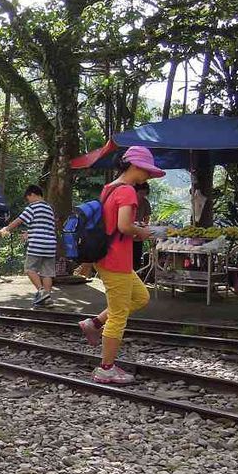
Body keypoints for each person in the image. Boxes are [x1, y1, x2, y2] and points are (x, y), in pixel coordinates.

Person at [79, 146, 164, 385]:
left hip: (110, 258)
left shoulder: (110, 188)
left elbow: (113, 224)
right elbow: (125, 226)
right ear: (135, 166)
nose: (148, 176)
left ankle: (93, 323)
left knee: (141, 297)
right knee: (118, 315)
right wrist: (143, 232)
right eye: (147, 170)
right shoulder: (127, 191)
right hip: (116, 260)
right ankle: (106, 369)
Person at [0, 185, 57, 306]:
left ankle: (42, 291)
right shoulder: (49, 208)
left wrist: (5, 230)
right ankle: (47, 299)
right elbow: (45, 226)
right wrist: (29, 233)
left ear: (32, 194)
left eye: (28, 198)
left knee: (29, 269)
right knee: (47, 273)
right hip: (50, 245)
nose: (28, 201)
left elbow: (19, 220)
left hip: (37, 245)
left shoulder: (33, 207)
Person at [133, 183, 152, 272]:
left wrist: (143, 226)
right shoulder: (129, 202)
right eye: (140, 193)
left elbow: (147, 217)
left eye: (144, 194)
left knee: (137, 256)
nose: (142, 196)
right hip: (128, 233)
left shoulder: (145, 202)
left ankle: (137, 273)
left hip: (139, 233)